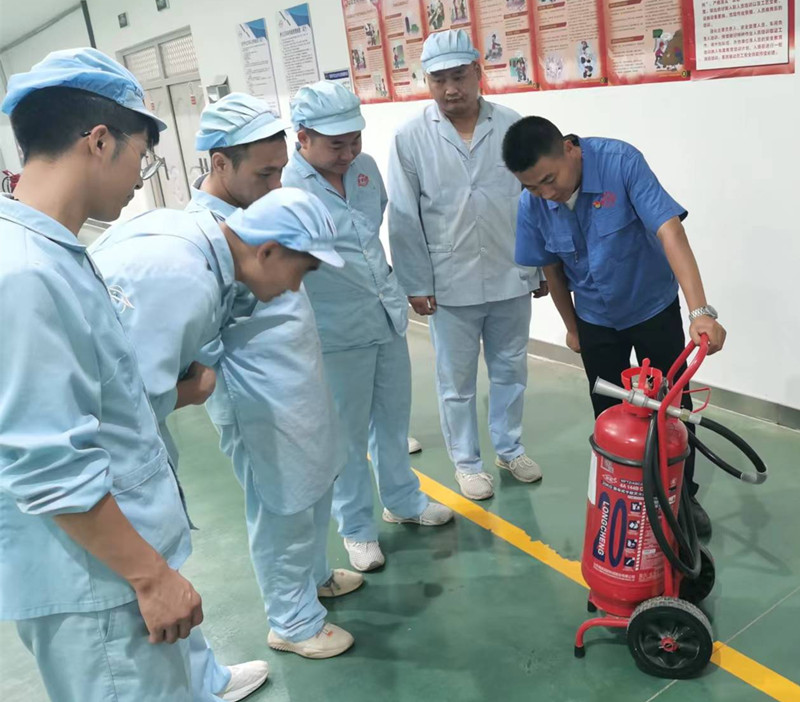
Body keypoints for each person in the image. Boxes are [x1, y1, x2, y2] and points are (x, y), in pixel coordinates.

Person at [0, 47, 259, 702]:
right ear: (98, 141)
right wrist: (150, 576)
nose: (141, 180)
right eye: (141, 157)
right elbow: (47, 463)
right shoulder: (26, 272)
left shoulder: (52, 248)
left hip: (107, 569)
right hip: (96, 586)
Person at [186, 92, 359, 659]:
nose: (275, 183)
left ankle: (313, 578)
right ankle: (292, 620)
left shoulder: (255, 213)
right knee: (280, 504)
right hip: (255, 394)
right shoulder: (205, 235)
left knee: (314, 484)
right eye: (263, 173)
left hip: (295, 378)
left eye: (280, 170)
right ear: (220, 163)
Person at [501, 115, 727, 537]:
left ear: (569, 148)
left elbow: (670, 231)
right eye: (532, 187)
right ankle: (626, 497)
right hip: (595, 318)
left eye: (549, 180)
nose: (546, 194)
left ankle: (681, 497)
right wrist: (572, 327)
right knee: (608, 416)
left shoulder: (620, 162)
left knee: (672, 408)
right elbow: (552, 270)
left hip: (651, 306)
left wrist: (700, 311)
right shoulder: (534, 204)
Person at [285, 80, 454, 572]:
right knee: (347, 438)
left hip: (384, 314)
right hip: (335, 331)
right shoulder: (287, 188)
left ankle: (402, 500)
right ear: (303, 137)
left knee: (393, 421)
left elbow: (374, 228)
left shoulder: (365, 170)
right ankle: (357, 528)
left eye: (354, 139)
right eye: (336, 144)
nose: (348, 153)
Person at [388, 30, 548, 502]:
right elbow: (403, 216)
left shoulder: (513, 125)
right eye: (438, 80)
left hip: (510, 271)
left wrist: (539, 266)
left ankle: (510, 448)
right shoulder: (411, 137)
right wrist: (415, 282)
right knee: (455, 381)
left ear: (479, 72)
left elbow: (536, 201)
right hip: (448, 280)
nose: (450, 89)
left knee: (510, 369)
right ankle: (466, 462)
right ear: (427, 82)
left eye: (459, 76)